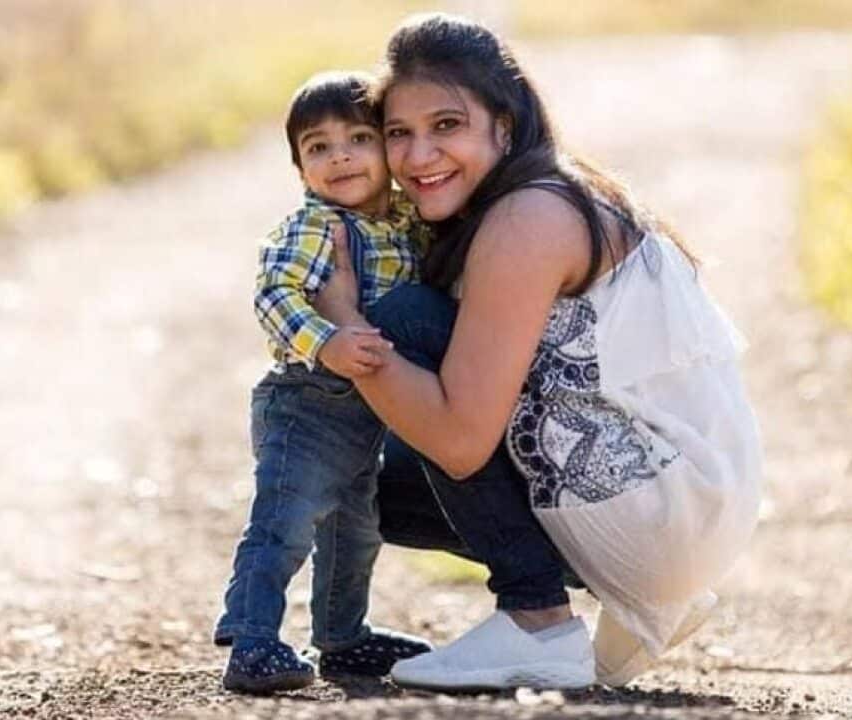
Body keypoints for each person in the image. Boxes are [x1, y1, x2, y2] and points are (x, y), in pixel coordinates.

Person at [312, 13, 762, 691]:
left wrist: (343, 324)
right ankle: (645, 595)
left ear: (505, 122)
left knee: (405, 320)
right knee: (354, 481)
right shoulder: (550, 189)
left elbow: (462, 443)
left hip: (666, 512)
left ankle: (537, 622)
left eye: (446, 126)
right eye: (399, 134)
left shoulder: (527, 218)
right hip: (691, 510)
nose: (418, 157)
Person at [213, 70, 432, 694]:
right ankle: (251, 639)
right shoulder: (314, 228)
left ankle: (342, 636)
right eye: (318, 147)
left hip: (364, 417)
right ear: (300, 168)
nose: (339, 156)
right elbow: (274, 295)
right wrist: (327, 341)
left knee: (356, 531)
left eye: (358, 139)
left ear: (388, 151)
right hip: (307, 404)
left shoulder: (402, 226)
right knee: (284, 524)